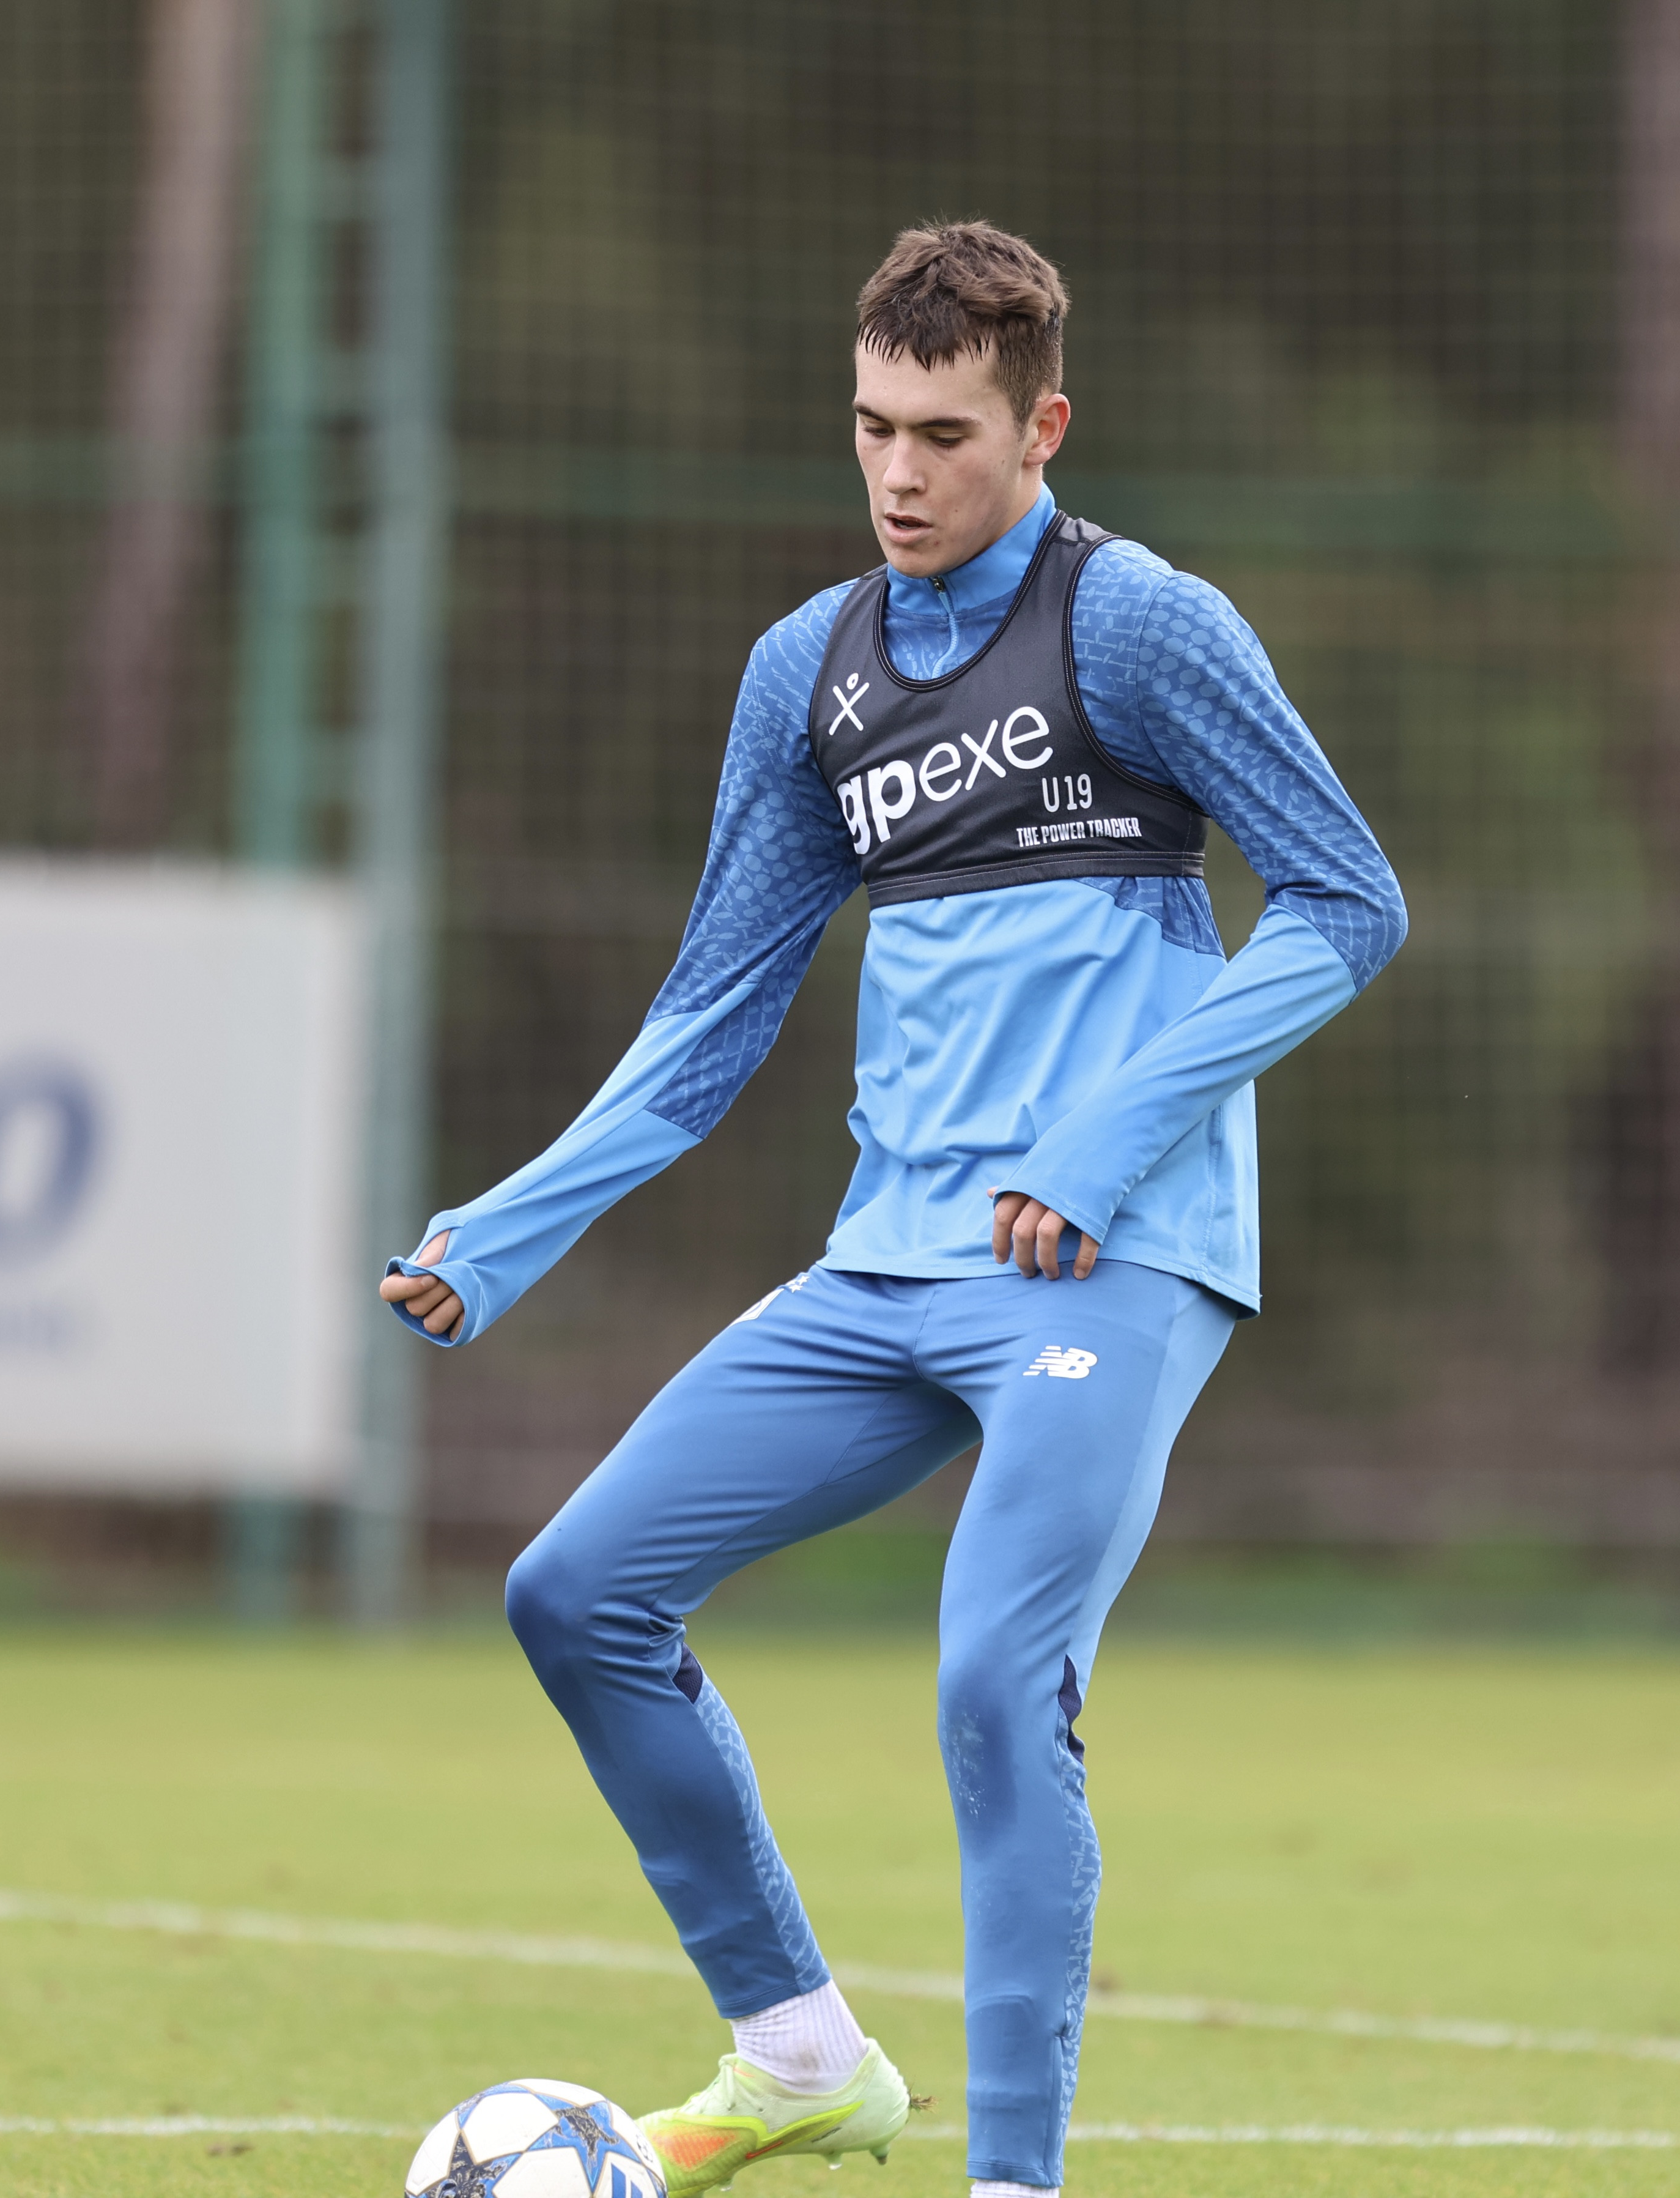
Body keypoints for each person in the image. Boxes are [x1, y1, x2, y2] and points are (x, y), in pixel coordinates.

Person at [379, 220, 1405, 2198]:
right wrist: (503, 1230)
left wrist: (1101, 1144)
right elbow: (710, 1012)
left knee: (992, 1678)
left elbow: (1349, 902)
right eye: (872, 427)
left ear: (1043, 427)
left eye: (945, 433)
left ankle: (1012, 2183)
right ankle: (798, 2058)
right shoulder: (810, 672)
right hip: (891, 1260)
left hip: (1112, 1258)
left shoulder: (1142, 626)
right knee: (576, 1595)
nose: (900, 473)